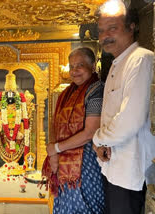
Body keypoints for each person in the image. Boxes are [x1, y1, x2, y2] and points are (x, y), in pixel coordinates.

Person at [92, 1, 155, 214]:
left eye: (113, 28)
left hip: (130, 172)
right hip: (113, 166)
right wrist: (102, 144)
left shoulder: (141, 60)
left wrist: (97, 140)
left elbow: (130, 120)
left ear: (132, 27)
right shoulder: (117, 64)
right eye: (101, 31)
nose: (104, 36)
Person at [43, 47, 105, 214]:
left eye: (80, 65)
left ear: (93, 67)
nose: (74, 71)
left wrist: (56, 149)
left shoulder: (96, 90)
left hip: (86, 163)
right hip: (64, 165)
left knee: (86, 204)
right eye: (71, 67)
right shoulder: (67, 93)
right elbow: (56, 125)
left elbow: (90, 133)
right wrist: (54, 153)